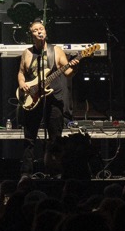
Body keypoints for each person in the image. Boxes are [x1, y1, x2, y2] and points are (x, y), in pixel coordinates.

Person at [16, 19, 79, 174]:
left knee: (55, 139)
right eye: (35, 30)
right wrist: (22, 83)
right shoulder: (27, 53)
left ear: (45, 32)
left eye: (42, 28)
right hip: (32, 98)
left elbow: (67, 72)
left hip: (53, 99)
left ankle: (55, 172)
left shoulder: (55, 51)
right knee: (29, 139)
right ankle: (26, 173)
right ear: (31, 35)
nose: (39, 31)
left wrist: (75, 66)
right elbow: (21, 72)